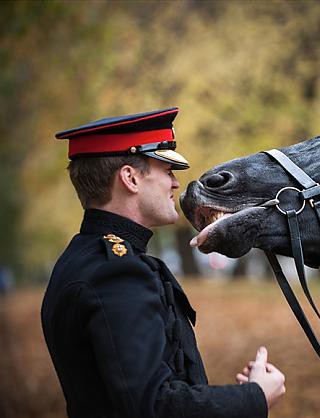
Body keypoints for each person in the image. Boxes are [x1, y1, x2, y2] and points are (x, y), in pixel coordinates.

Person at [41, 107, 285, 418]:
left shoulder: (85, 258)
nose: (174, 184)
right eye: (167, 171)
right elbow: (153, 406)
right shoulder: (116, 273)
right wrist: (254, 397)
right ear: (130, 178)